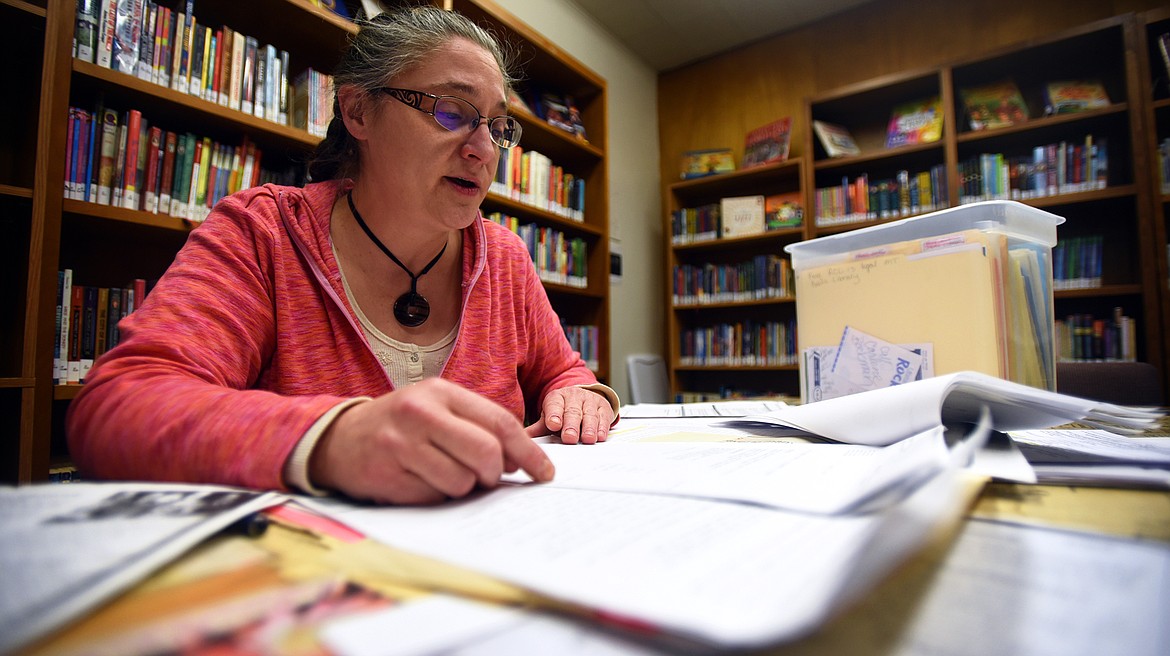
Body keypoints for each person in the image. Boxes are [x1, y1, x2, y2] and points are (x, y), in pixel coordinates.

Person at [66, 6, 619, 505]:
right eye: (452, 111)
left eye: (497, 126)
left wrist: (580, 394)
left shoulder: (503, 256)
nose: (481, 149)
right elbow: (118, 409)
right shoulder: (264, 233)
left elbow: (564, 370)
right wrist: (336, 436)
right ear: (358, 111)